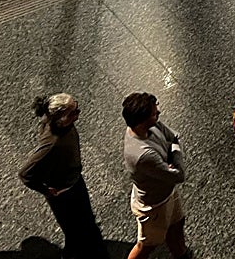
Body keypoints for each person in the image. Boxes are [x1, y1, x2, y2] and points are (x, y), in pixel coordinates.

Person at [20, 93, 108, 259]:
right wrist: (46, 190)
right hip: (65, 190)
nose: (78, 114)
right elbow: (25, 173)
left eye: (77, 108)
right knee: (75, 227)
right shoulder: (53, 143)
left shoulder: (56, 123)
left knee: (82, 223)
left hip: (72, 179)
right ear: (59, 118)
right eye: (73, 113)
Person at [122, 92, 188, 259]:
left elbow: (173, 136)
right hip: (154, 205)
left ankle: (180, 254)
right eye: (153, 113)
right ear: (142, 121)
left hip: (166, 191)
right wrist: (174, 151)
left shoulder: (151, 125)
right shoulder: (143, 154)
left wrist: (170, 156)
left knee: (177, 224)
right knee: (146, 245)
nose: (158, 113)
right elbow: (179, 175)